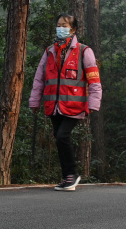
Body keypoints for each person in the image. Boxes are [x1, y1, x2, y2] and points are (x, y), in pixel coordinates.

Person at [28, 14, 102, 191]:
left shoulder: (84, 51)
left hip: (75, 105)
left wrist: (93, 103)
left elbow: (94, 80)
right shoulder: (49, 51)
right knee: (59, 139)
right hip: (54, 105)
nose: (60, 28)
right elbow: (39, 78)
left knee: (62, 136)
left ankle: (73, 174)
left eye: (65, 25)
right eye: (58, 25)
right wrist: (34, 100)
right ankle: (67, 176)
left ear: (73, 29)